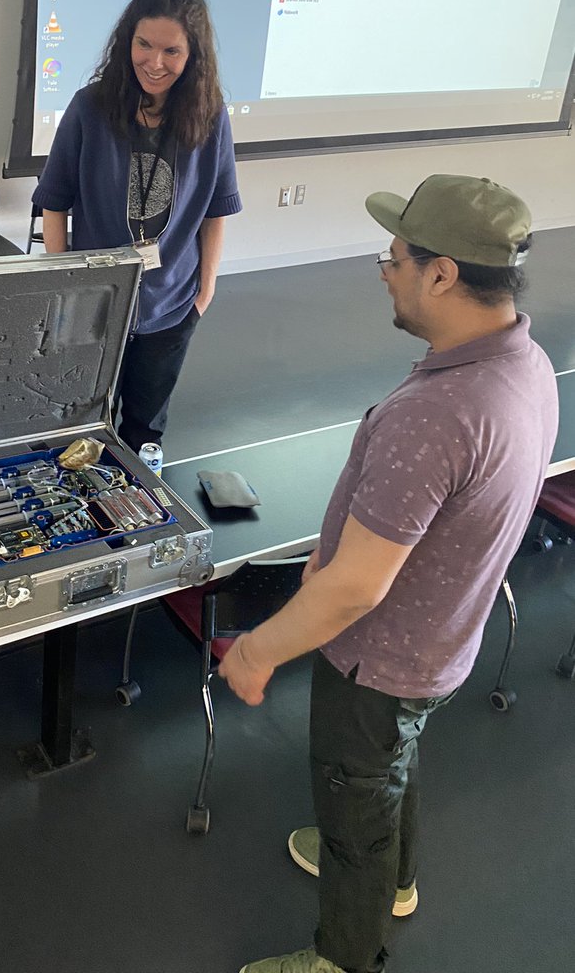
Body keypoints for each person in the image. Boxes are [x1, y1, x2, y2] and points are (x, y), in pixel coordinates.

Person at [218, 175, 559, 973]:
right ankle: (398, 880)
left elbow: (354, 590)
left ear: (442, 274)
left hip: (377, 662)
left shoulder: (436, 414)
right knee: (392, 765)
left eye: (396, 255)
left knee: (355, 802)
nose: (384, 268)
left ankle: (345, 955)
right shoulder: (524, 364)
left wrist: (259, 650)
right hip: (442, 645)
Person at [32, 0, 241, 453]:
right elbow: (54, 201)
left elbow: (216, 209)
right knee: (80, 420)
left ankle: (139, 509)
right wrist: (65, 282)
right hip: (92, 304)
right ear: (128, 40)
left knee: (145, 427)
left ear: (193, 57)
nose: (155, 62)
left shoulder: (210, 117)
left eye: (172, 51)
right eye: (144, 44)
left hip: (172, 303)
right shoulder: (90, 108)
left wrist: (204, 293)